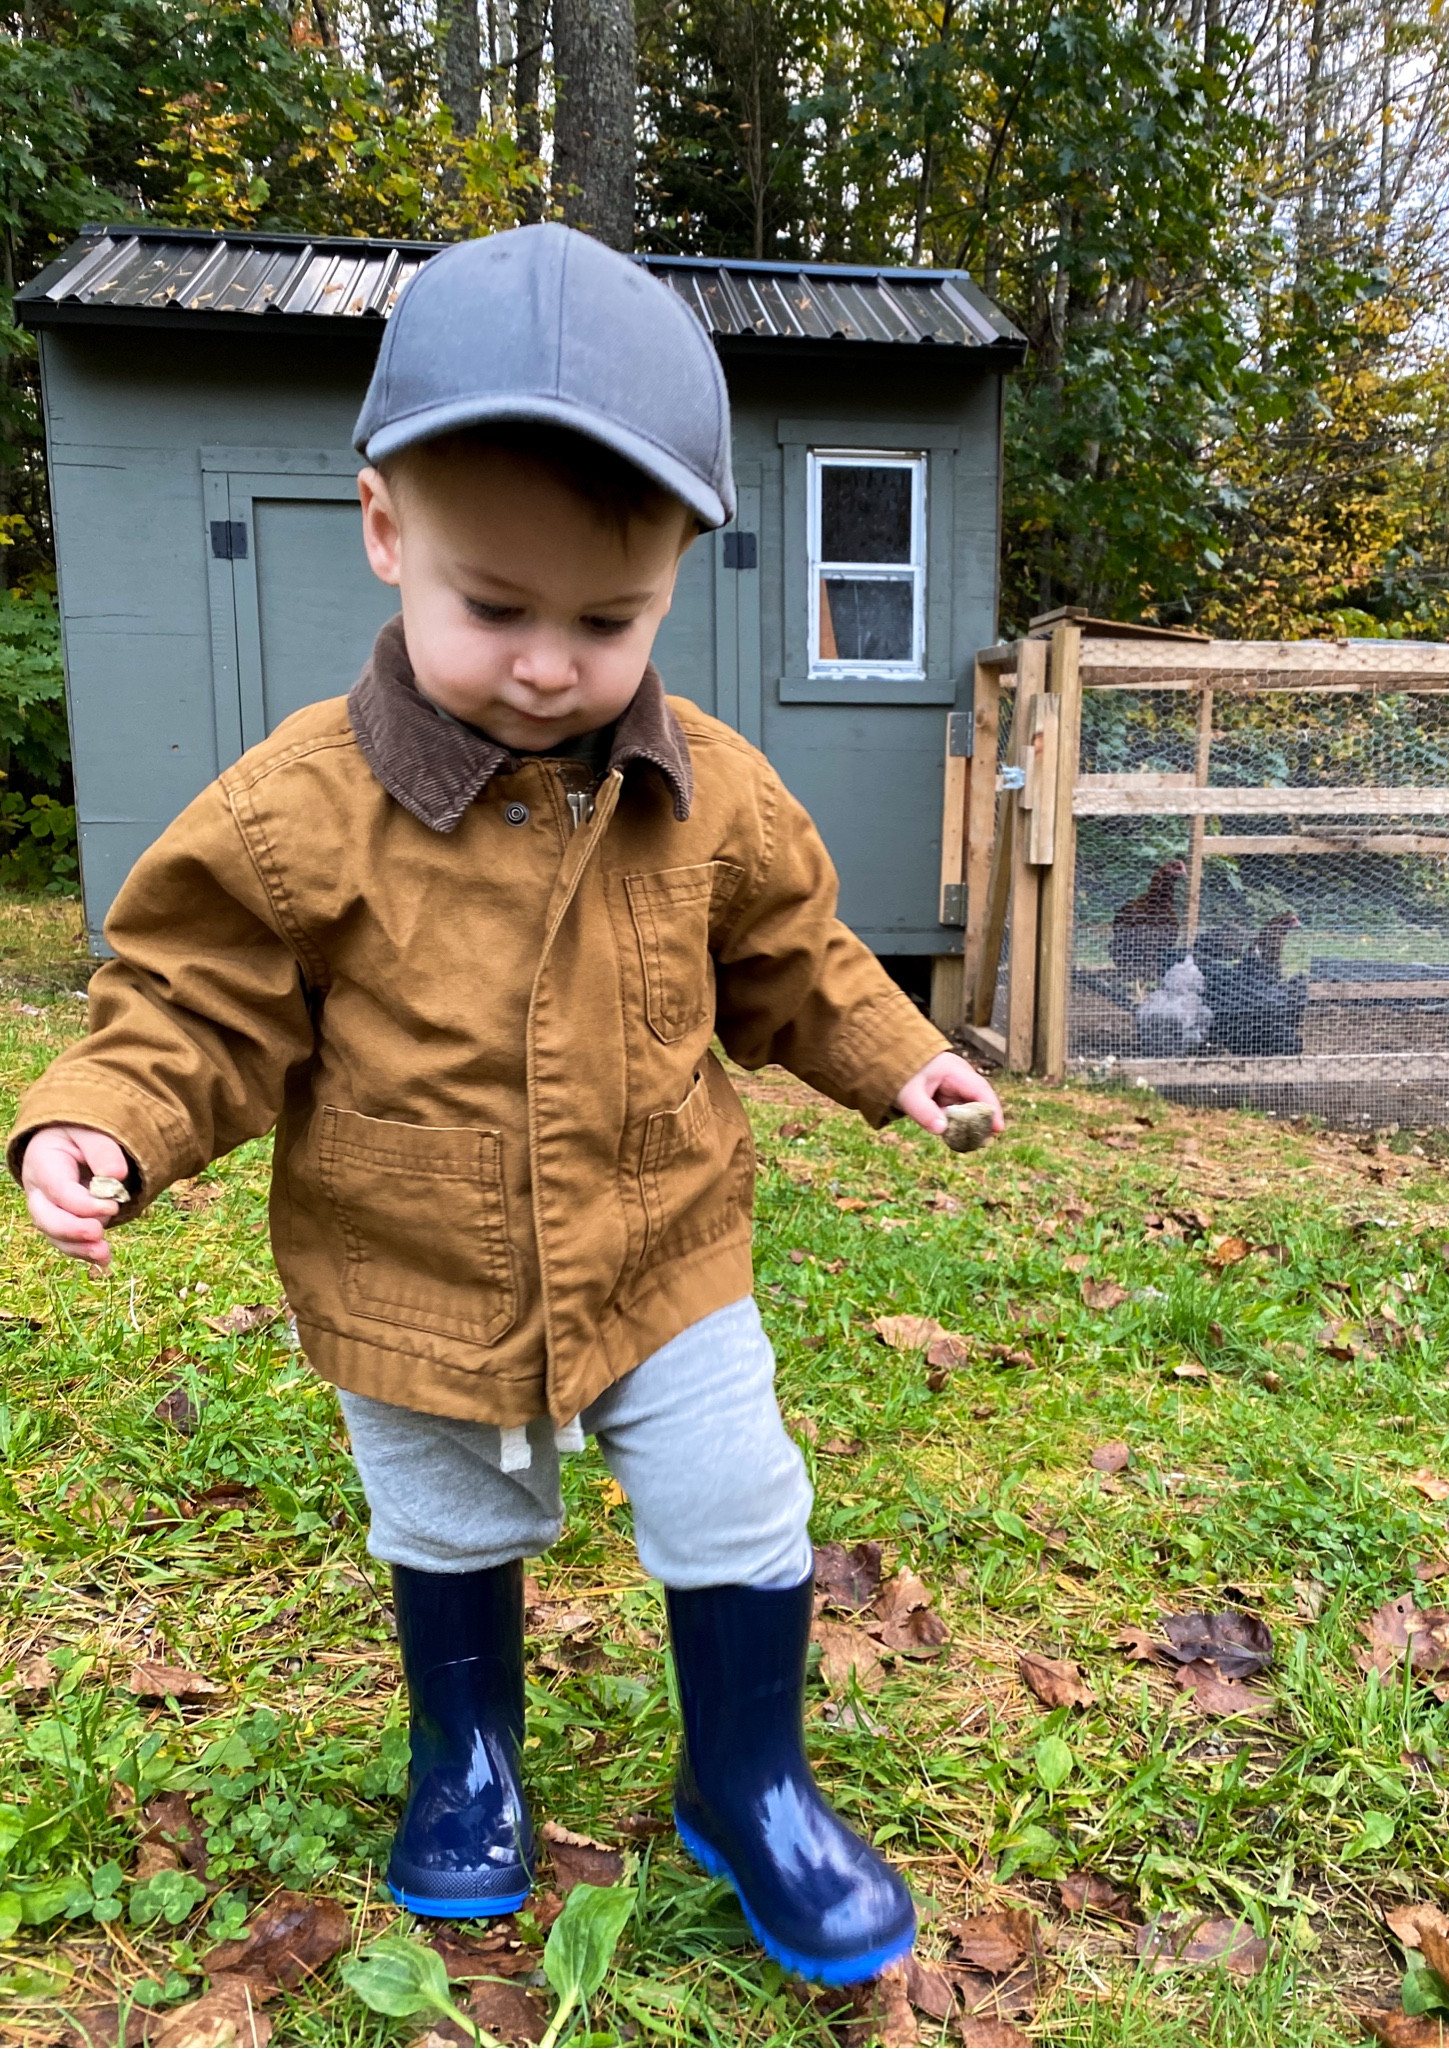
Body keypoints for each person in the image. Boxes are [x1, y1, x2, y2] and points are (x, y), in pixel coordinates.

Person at [9, 224, 1002, 1987]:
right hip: (413, 1271)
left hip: (665, 1250)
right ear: (386, 531)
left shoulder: (714, 794)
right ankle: (465, 1755)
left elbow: (796, 956)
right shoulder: (298, 808)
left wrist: (893, 1051)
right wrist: (110, 1112)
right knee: (449, 1522)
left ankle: (747, 1774)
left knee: (740, 1501)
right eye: (498, 608)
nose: (550, 664)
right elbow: (193, 992)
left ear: (677, 581)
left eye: (606, 620)